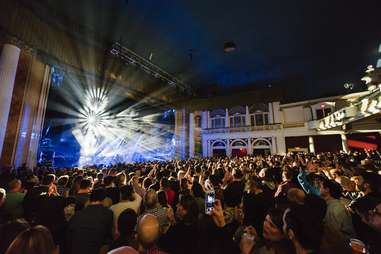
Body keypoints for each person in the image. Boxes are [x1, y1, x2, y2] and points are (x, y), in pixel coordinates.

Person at [66, 188, 113, 254]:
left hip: (75, 248)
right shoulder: (108, 213)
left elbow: (69, 233)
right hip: (96, 249)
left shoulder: (78, 214)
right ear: (104, 199)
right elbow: (108, 234)